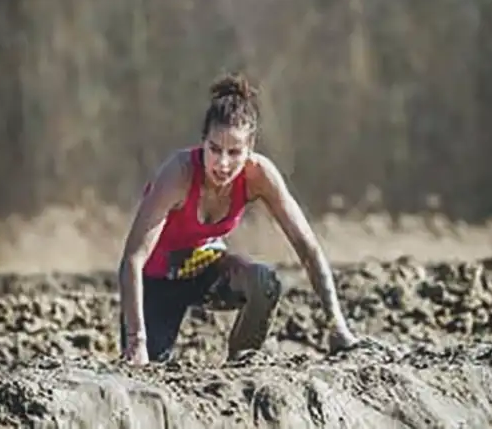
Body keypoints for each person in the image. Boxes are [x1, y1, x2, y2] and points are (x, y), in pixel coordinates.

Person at [117, 72, 360, 365]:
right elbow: (132, 258)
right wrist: (136, 341)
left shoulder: (260, 176)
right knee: (149, 366)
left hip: (206, 270)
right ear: (202, 142)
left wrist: (337, 325)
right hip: (157, 281)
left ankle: (240, 363)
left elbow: (307, 247)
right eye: (214, 150)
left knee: (264, 281)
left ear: (250, 147)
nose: (222, 164)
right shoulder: (178, 174)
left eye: (234, 152)